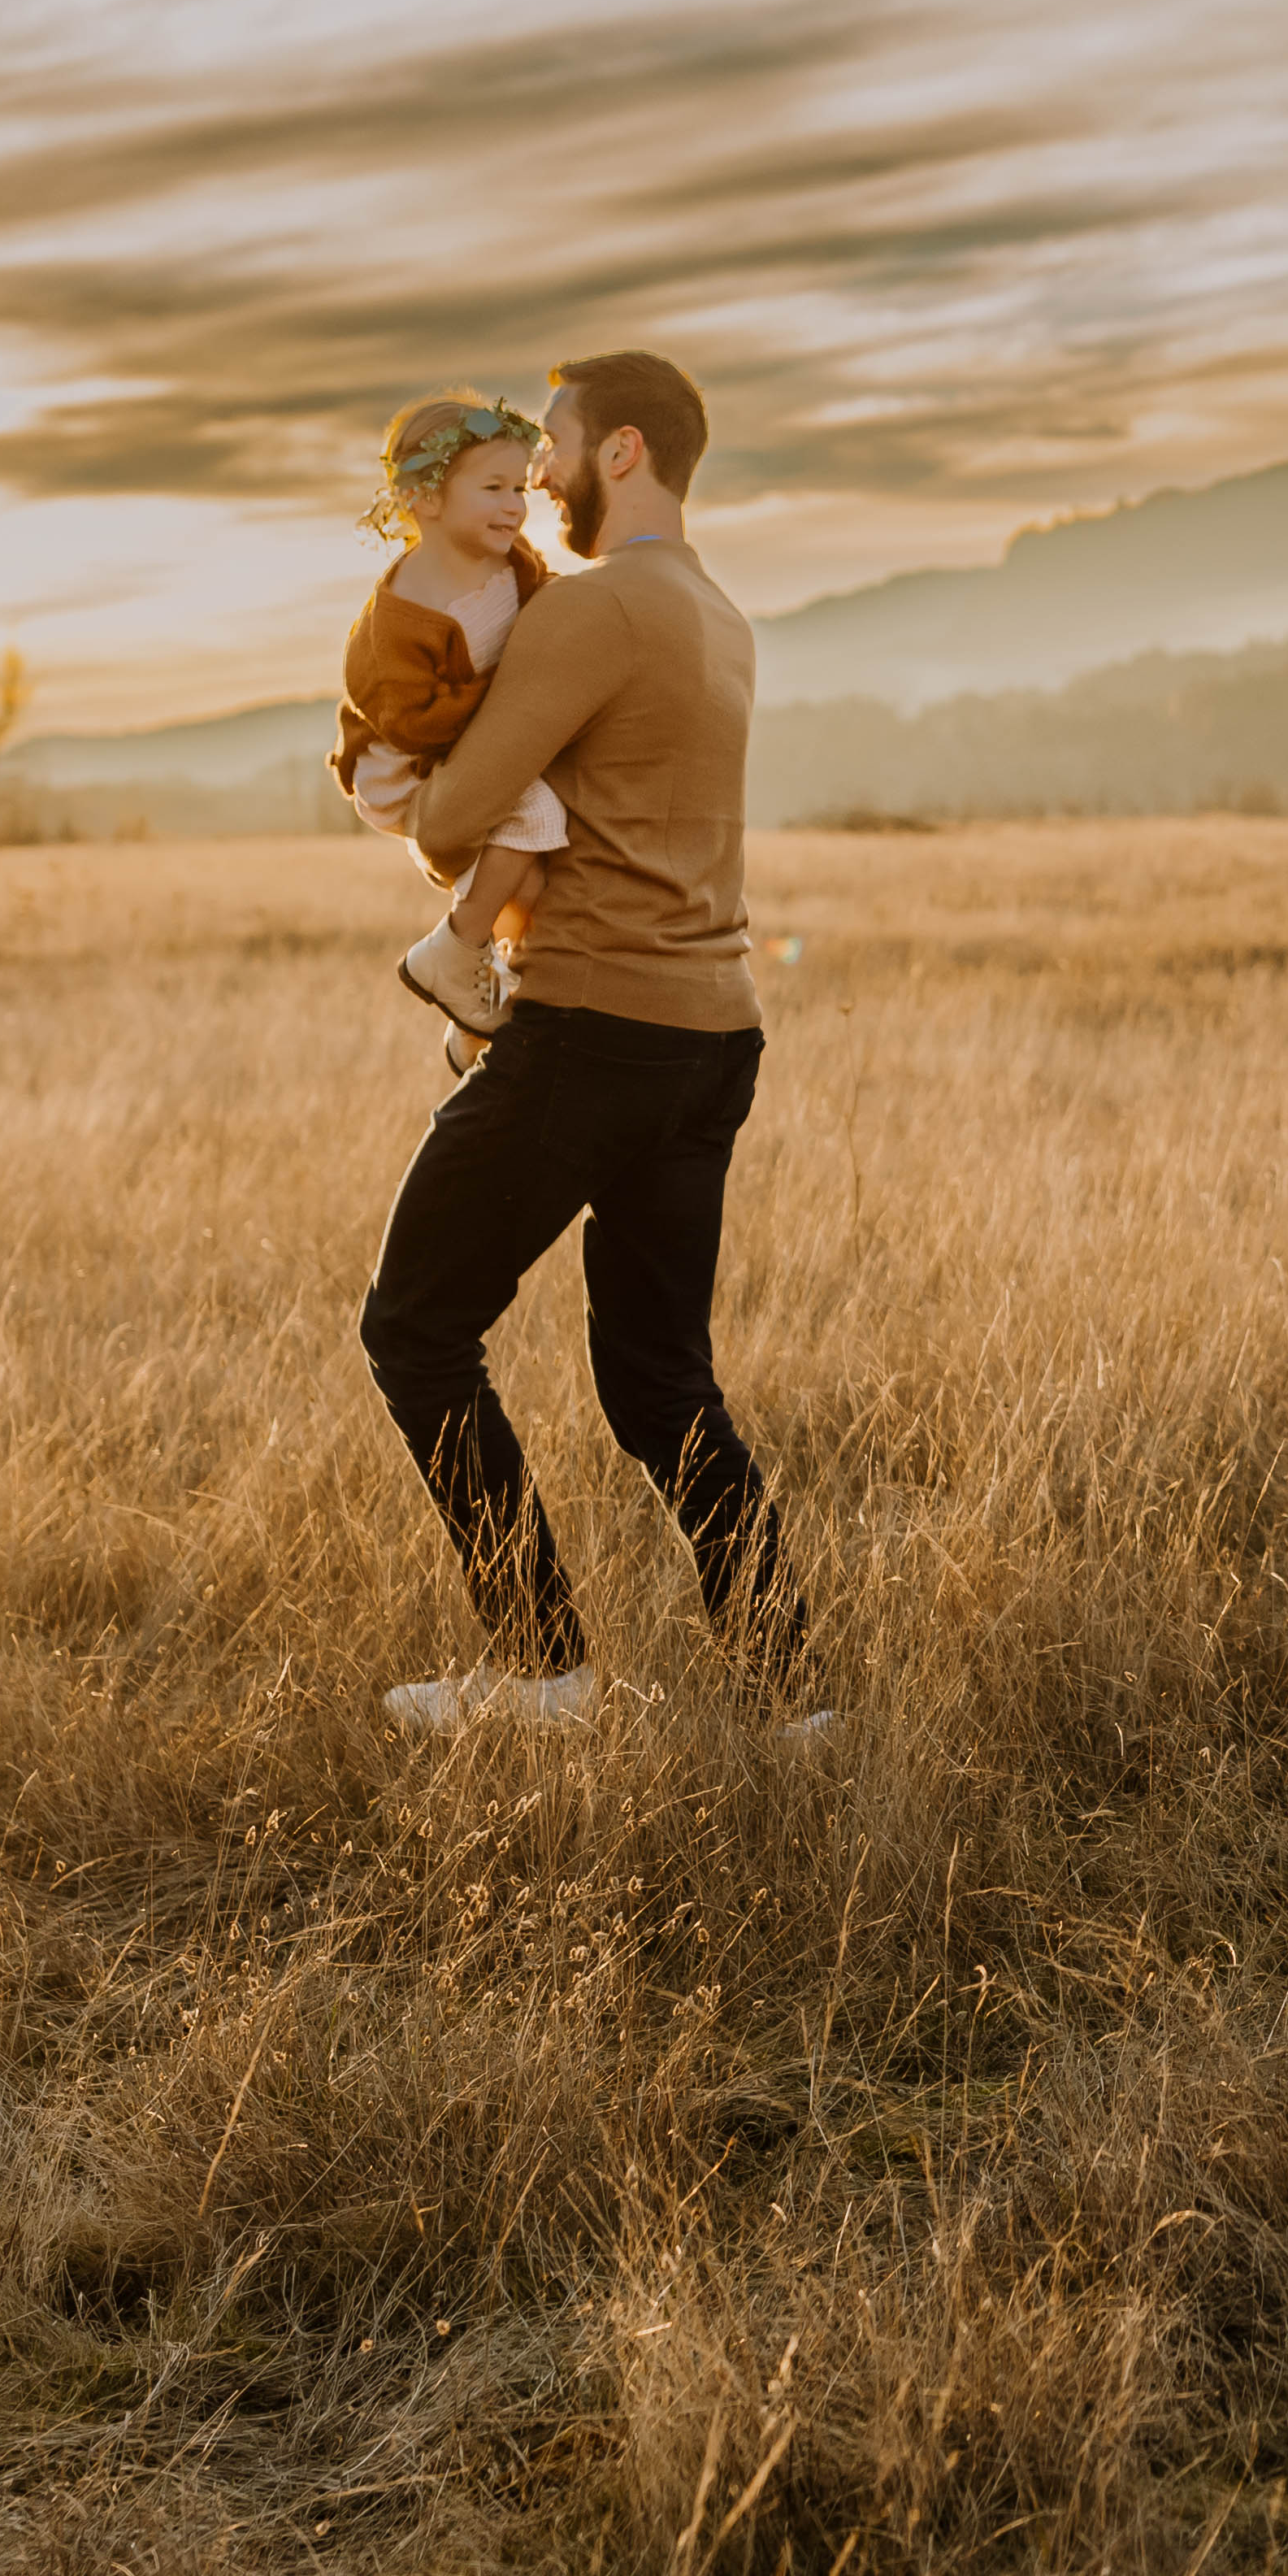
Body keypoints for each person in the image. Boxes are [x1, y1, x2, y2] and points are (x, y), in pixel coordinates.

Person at [354, 349, 810, 1734]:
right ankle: (793, 1698)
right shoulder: (719, 615)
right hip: (711, 1036)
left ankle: (544, 1668)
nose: (537, 477)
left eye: (550, 445)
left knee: (416, 1328)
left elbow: (444, 825)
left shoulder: (597, 610)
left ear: (618, 452)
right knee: (662, 1381)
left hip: (594, 1027)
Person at [328, 389, 564, 1045]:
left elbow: (547, 607)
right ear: (424, 501)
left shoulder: (511, 563)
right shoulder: (402, 618)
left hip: (474, 744)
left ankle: (476, 1016)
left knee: (534, 886)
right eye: (492, 487)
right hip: (408, 764)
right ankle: (452, 947)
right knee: (536, 817)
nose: (515, 504)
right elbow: (410, 720)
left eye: (519, 487)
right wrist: (512, 706)